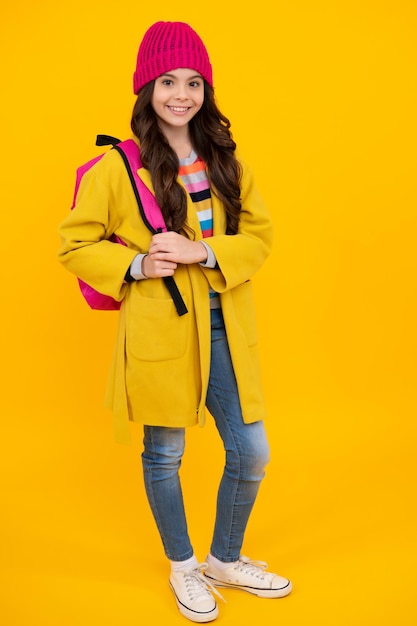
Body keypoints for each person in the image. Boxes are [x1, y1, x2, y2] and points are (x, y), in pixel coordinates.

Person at [58, 20, 292, 623]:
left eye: (193, 81)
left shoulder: (227, 161)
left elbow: (259, 237)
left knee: (251, 451)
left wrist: (204, 251)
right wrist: (137, 262)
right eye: (167, 81)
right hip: (160, 328)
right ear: (147, 89)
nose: (181, 94)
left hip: (225, 325)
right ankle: (183, 566)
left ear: (206, 90)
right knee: (164, 453)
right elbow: (75, 245)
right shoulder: (118, 166)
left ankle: (223, 559)